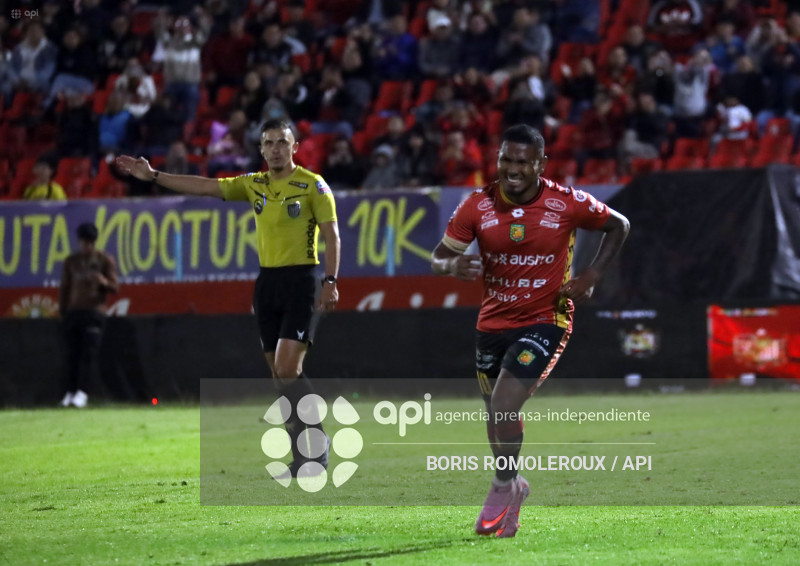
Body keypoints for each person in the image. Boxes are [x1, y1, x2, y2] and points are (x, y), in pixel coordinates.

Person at [431, 124, 629, 537]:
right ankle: (515, 486)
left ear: (540, 163)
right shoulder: (476, 205)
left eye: (522, 161)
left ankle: (502, 484)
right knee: (494, 414)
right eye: (506, 159)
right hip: (492, 322)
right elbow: (438, 257)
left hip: (547, 318)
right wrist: (452, 266)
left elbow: (619, 225)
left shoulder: (566, 202)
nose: (512, 168)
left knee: (504, 403)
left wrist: (592, 273)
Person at [114, 119, 340, 479]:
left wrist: (330, 280)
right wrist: (155, 175)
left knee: (287, 369)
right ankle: (303, 457)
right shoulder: (254, 185)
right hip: (267, 283)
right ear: (262, 149)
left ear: (294, 146)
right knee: (277, 376)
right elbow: (203, 186)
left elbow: (332, 234)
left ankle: (318, 441)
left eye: (282, 142)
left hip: (302, 280)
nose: (276, 148)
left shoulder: (313, 185)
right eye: (269, 143)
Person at [59, 223, 119, 408]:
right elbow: (65, 288)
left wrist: (103, 282)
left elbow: (115, 287)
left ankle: (82, 393)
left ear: (95, 242)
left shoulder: (104, 260)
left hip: (94, 313)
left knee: (88, 354)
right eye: (85, 243)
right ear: (79, 242)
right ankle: (69, 392)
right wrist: (63, 311)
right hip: (74, 312)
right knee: (72, 354)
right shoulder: (71, 261)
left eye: (90, 243)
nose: (87, 246)